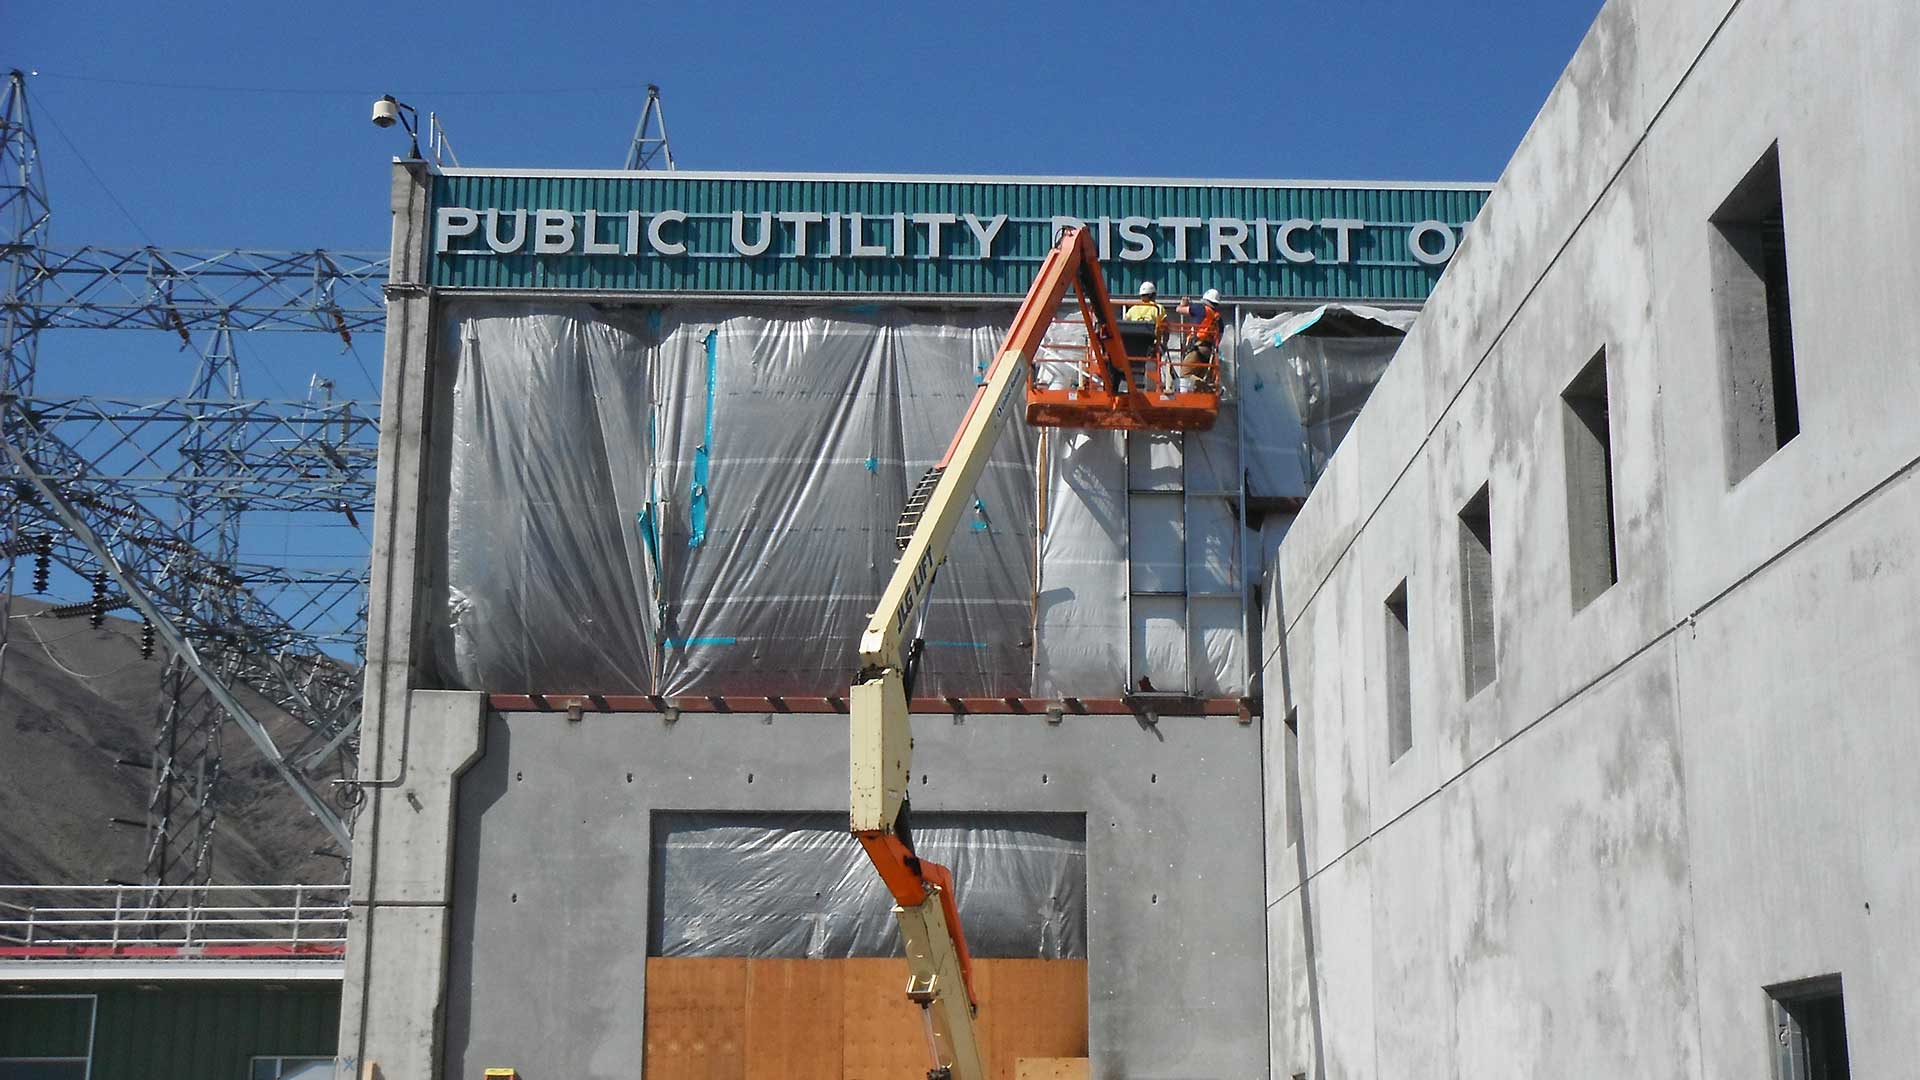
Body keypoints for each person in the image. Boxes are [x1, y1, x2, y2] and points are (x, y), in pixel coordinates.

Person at [1173, 288, 1224, 391]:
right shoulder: (1218, 319)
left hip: (1198, 348)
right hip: (1209, 352)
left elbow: (1178, 310)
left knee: (1185, 375)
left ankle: (1209, 387)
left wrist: (1183, 303)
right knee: (1196, 378)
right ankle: (1206, 388)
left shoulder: (1201, 309)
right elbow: (1219, 337)